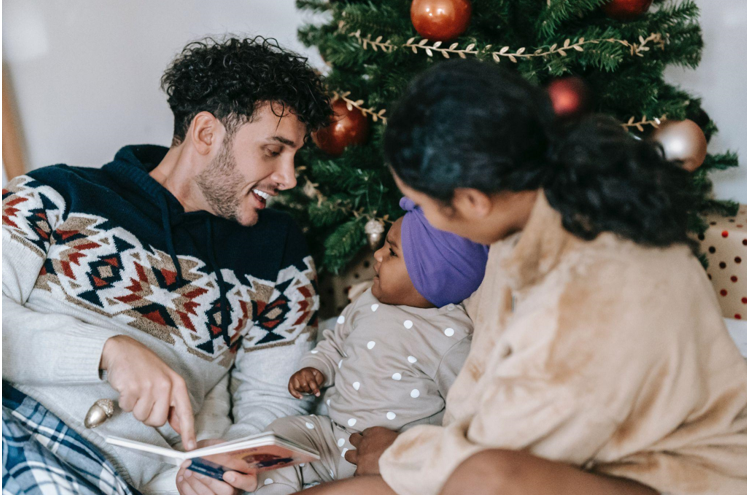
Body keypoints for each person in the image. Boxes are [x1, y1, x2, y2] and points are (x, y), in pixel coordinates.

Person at [301, 61, 747, 495]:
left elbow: (507, 446)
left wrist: (399, 454)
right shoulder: (530, 222)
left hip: (669, 476)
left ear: (474, 201)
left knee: (484, 481)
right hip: (567, 458)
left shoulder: (599, 283)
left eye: (423, 207)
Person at [2, 36, 332, 495]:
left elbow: (276, 398)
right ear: (205, 133)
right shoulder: (52, 194)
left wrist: (205, 471)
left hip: (109, 476)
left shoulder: (279, 256)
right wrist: (108, 351)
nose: (289, 178)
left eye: (295, 157)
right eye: (273, 151)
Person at [236, 197, 488, 494]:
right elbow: (335, 344)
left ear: (430, 276)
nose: (377, 254)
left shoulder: (450, 336)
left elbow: (465, 409)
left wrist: (411, 453)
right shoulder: (367, 302)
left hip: (387, 456)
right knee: (281, 434)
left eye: (391, 252)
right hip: (333, 436)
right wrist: (315, 368)